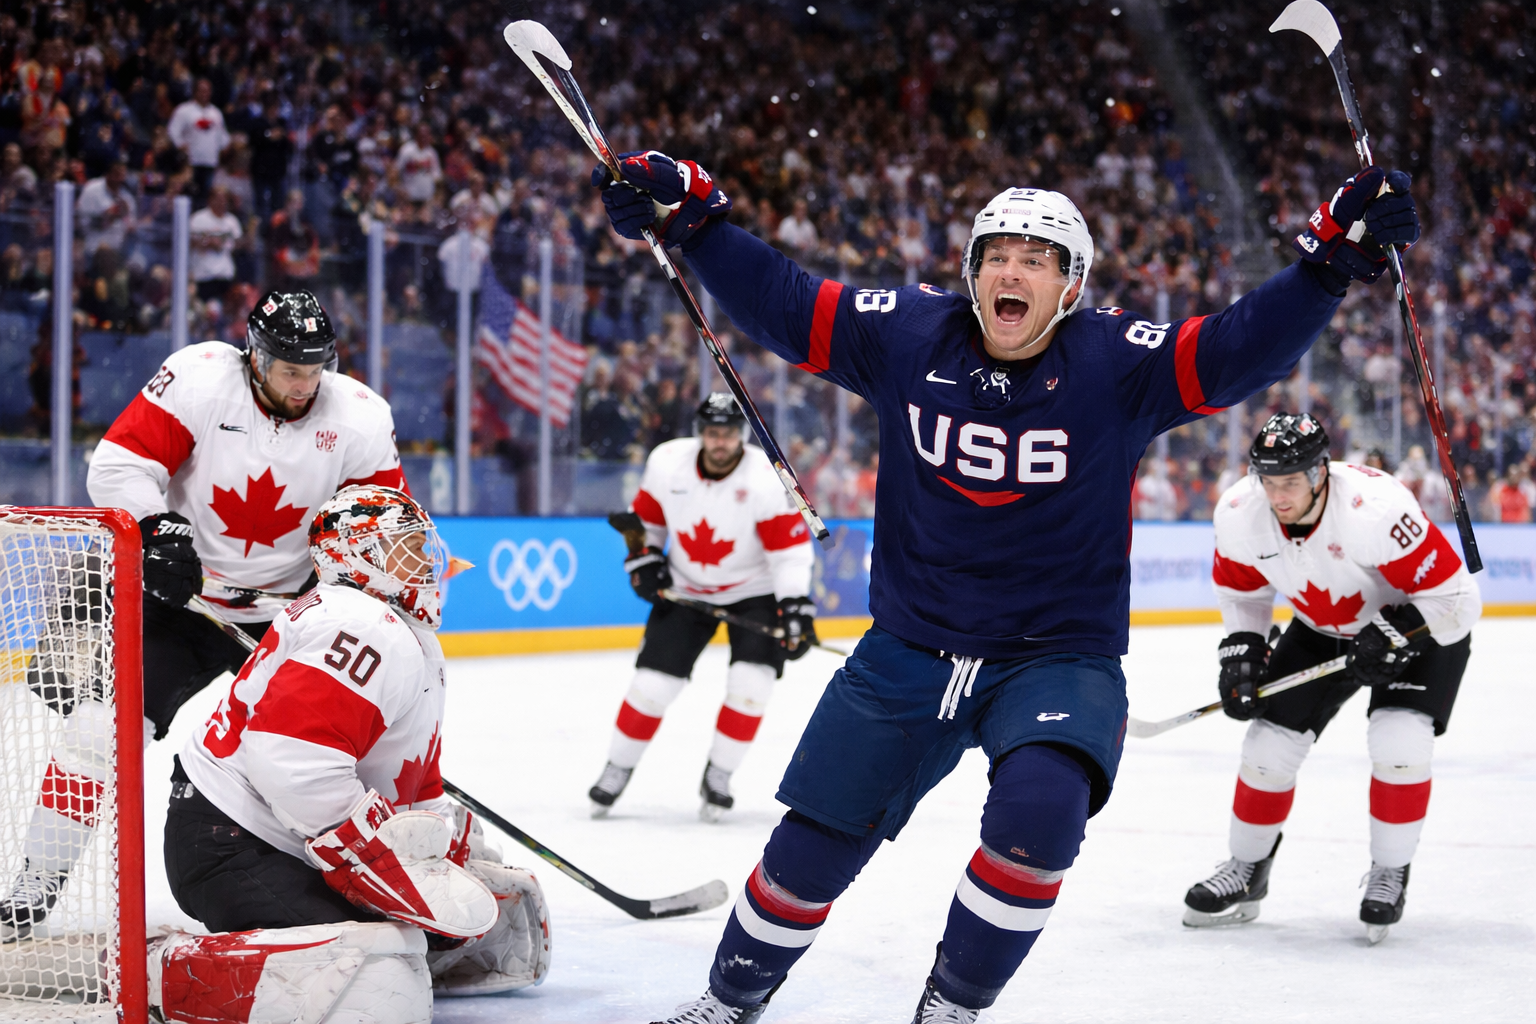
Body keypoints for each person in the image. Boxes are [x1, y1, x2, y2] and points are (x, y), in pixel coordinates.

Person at [590, 149, 1421, 1022]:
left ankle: (950, 1007)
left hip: (1057, 660)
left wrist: (1328, 267)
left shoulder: (1117, 361)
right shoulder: (911, 334)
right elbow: (788, 305)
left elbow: (1235, 350)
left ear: (1071, 285)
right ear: (970, 274)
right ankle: (729, 1002)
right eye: (995, 254)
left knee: (1040, 821)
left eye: (1037, 257)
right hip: (907, 650)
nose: (1010, 270)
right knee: (811, 847)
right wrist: (696, 225)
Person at [0, 291, 407, 937]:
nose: (304, 386)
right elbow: (118, 465)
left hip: (288, 616)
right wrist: (158, 527)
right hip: (182, 604)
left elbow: (385, 523)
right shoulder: (199, 378)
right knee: (96, 730)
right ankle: (34, 885)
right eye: (289, 370)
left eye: (315, 369)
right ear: (255, 357)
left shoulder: (358, 417)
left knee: (329, 759)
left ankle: (369, 876)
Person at [148, 486, 550, 1022]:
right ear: (358, 557)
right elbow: (290, 759)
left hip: (285, 835)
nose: (424, 560)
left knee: (481, 917)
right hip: (234, 844)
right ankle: (163, 972)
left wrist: (437, 839)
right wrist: (368, 850)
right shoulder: (358, 624)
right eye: (403, 546)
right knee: (378, 981)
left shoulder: (401, 632)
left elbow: (411, 772)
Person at [1184, 413, 1479, 944]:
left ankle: (1390, 871)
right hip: (1322, 627)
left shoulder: (1376, 510)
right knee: (1267, 748)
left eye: (1291, 482)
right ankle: (1247, 869)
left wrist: (1394, 630)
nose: (1278, 496)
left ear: (1321, 472)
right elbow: (1243, 592)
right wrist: (1244, 648)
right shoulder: (1239, 512)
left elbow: (1458, 600)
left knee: (1399, 741)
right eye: (1268, 482)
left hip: (1419, 626)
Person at [590, 394, 817, 822]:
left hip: (756, 592)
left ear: (741, 436)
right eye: (712, 432)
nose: (719, 442)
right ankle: (616, 768)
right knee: (652, 686)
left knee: (751, 684)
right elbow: (646, 522)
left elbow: (789, 552)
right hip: (686, 587)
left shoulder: (767, 479)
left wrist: (796, 607)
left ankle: (719, 775)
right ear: (700, 433)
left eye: (728, 433)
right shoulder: (667, 463)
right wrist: (645, 559)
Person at [166, 78, 229, 204]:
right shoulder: (184, 110)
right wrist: (180, 144)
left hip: (210, 162)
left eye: (207, 91)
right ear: (195, 92)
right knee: (189, 196)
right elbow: (172, 131)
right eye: (202, 91)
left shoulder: (215, 113)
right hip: (191, 162)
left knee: (205, 198)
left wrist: (225, 147)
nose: (205, 94)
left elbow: (223, 137)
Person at [188, 185, 242, 302]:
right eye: (218, 199)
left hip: (225, 274)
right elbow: (189, 242)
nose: (221, 202)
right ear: (210, 200)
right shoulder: (199, 218)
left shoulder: (231, 221)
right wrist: (208, 242)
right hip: (203, 274)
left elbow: (238, 244)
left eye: (224, 199)